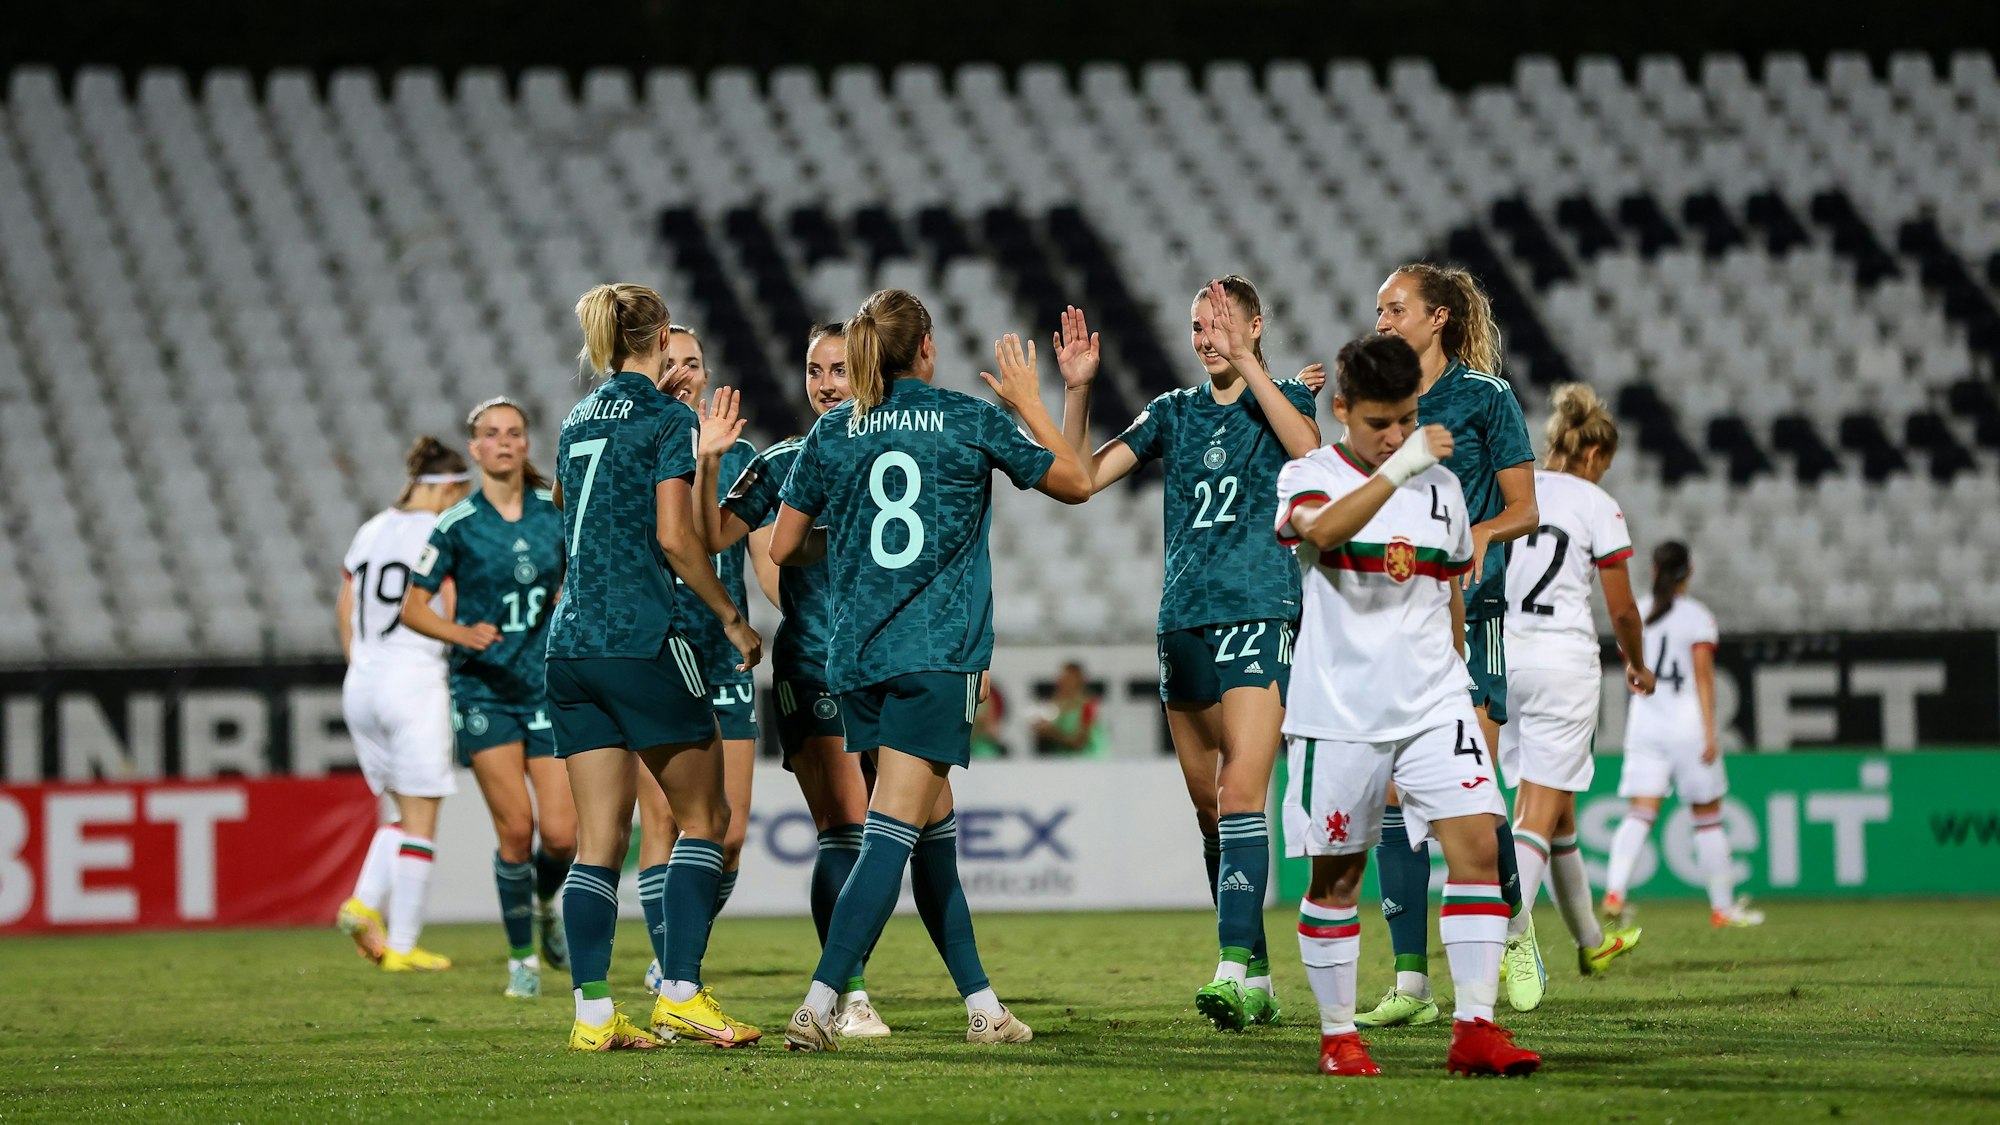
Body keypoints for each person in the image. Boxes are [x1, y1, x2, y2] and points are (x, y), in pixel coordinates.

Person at [774, 289, 1092, 1052]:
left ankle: (983, 1006)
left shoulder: (834, 429)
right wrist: (1039, 399)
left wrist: (854, 533)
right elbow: (1076, 482)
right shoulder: (967, 418)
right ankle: (819, 1003)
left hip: (856, 659)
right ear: (926, 347)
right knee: (889, 834)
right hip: (934, 655)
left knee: (931, 829)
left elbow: (784, 546)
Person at [1056, 282, 1320, 1030]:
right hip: (1183, 621)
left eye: (1222, 325)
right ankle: (1257, 976)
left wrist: (1254, 367)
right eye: (1199, 326)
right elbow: (1080, 480)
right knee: (1211, 813)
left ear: (1255, 325)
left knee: (1241, 793)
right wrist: (1078, 392)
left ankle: (1230, 967)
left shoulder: (1284, 401)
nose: (1208, 338)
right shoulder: (1172, 411)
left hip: (1258, 609)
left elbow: (1312, 454)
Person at [1277, 332, 1540, 1078]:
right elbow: (1321, 533)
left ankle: (1475, 1029)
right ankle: (1338, 1037)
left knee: (1479, 847)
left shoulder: (1444, 488)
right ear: (1342, 409)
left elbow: (1449, 584)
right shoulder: (1308, 475)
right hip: (1340, 714)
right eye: (1379, 422)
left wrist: (1457, 671)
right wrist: (1399, 468)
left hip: (1434, 705)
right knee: (1337, 879)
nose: (1395, 435)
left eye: (1406, 419)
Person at [546, 282, 763, 1051]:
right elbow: (676, 537)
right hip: (640, 637)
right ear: (661, 336)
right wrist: (729, 615)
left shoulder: (575, 418)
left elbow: (565, 506)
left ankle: (593, 1014)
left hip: (570, 645)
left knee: (598, 841)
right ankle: (680, 993)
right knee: (706, 819)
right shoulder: (669, 418)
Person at [1360, 262, 1540, 1029]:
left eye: (1395, 308)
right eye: (1378, 309)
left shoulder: (1485, 397)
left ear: (1438, 317)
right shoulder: (1380, 402)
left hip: (1477, 610)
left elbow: (1526, 507)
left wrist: (1479, 535)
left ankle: (1517, 928)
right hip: (1401, 618)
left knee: (1471, 792)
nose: (1382, 320)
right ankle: (1412, 982)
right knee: (1393, 796)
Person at [398, 398, 574, 1000]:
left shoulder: (555, 511)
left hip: (545, 686)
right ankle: (521, 959)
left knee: (562, 837)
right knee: (516, 830)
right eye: (491, 434)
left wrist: (569, 599)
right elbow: (412, 606)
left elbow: (582, 573)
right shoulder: (457, 524)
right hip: (485, 692)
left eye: (513, 433)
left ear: (526, 444)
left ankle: (544, 903)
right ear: (475, 449)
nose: (503, 442)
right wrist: (457, 632)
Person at [1495, 384, 1652, 1011]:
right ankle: (1510, 935)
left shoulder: (1515, 490)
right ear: (1593, 455)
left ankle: (1590, 941)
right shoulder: (1596, 504)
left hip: (1503, 658)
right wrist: (1636, 663)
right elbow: (1623, 608)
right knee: (1538, 811)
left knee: (1558, 813)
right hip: (1562, 662)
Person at [626, 324, 767, 1010]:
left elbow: (763, 555)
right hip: (660, 647)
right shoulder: (635, 442)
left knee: (729, 833)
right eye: (670, 361)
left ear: (708, 374)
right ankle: (672, 970)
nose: (683, 371)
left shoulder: (742, 455)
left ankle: (678, 955)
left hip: (725, 654)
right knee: (665, 822)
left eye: (693, 362)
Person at [335, 437, 471, 973]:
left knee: (401, 812)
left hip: (362, 683)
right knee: (421, 821)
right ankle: (404, 943)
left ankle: (361, 904)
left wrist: (362, 663)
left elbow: (345, 606)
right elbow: (453, 603)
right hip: (412, 680)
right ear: (450, 487)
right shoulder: (441, 531)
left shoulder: (371, 529)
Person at [1603, 542, 1765, 929]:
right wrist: (1711, 731)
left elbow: (1632, 668)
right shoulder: (1697, 617)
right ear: (1688, 572)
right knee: (1707, 818)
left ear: (1654, 571)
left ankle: (1614, 892)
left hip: (1645, 723)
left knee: (1639, 814)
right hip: (1687, 725)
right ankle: (1722, 909)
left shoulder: (1637, 612)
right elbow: (1704, 678)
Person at [1033, 661, 1108, 757]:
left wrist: (1052, 733)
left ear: (1080, 680)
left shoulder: (1089, 705)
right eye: (1063, 678)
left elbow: (1079, 743)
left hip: (1088, 761)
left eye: (1069, 679)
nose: (1064, 682)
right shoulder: (1055, 703)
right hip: (1061, 760)